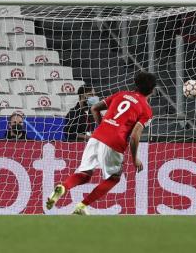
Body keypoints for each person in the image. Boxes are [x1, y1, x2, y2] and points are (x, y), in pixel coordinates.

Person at [46, 71, 157, 215]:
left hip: (96, 137)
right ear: (152, 90)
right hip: (115, 141)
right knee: (114, 177)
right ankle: (82, 206)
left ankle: (63, 187)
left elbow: (94, 108)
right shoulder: (146, 109)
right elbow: (135, 136)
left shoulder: (121, 94)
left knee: (84, 174)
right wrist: (134, 158)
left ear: (136, 84)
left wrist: (102, 126)